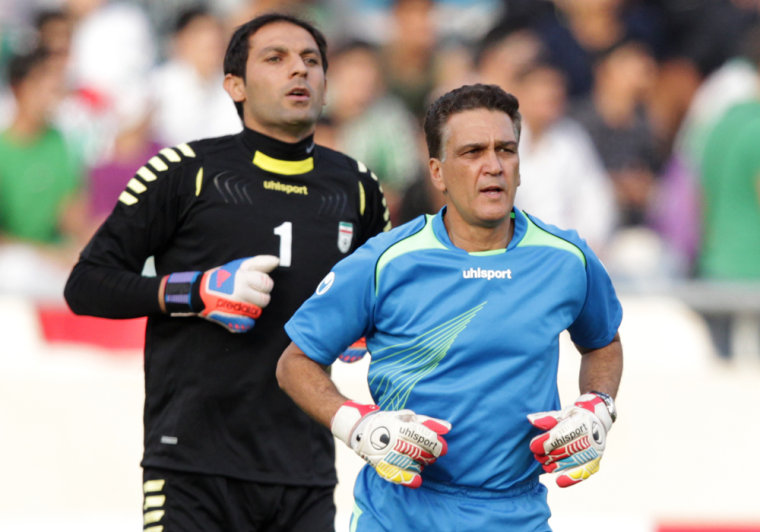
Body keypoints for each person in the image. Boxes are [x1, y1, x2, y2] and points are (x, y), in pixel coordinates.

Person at [64, 13, 389, 532]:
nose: (299, 72)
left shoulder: (357, 188)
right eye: (276, 58)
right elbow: (86, 285)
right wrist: (196, 291)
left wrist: (366, 326)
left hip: (303, 471)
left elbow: (385, 302)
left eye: (311, 61)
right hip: (192, 468)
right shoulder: (182, 172)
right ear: (233, 85)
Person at [277, 83, 623, 531]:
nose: (493, 166)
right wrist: (358, 426)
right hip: (399, 512)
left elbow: (603, 343)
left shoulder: (567, 258)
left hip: (518, 513)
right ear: (437, 173)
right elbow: (294, 362)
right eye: (473, 152)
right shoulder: (385, 261)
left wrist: (598, 405)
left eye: (506, 150)